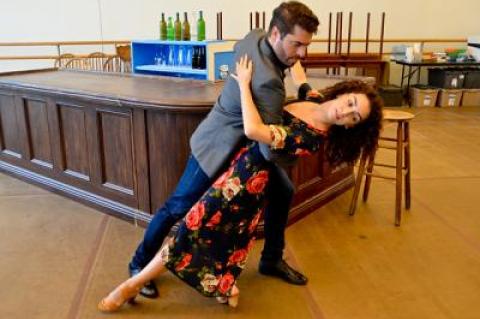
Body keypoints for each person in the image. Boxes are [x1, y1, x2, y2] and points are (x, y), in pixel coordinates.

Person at [98, 55, 383, 312]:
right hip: (236, 171)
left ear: (350, 127)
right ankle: (223, 286)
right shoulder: (316, 99)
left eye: (353, 117)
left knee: (190, 229)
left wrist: (245, 84)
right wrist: (292, 57)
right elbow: (299, 72)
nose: (345, 112)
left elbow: (253, 130)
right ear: (345, 93)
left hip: (243, 186)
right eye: (350, 103)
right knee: (213, 236)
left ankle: (131, 285)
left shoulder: (312, 138)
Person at [128, 1, 320, 299]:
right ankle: (138, 264)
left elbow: (291, 62)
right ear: (275, 34)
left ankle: (270, 260)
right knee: (178, 207)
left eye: (306, 45)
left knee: (283, 191)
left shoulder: (254, 37)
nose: (302, 54)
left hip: (239, 142)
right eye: (297, 44)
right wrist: (300, 146)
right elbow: (270, 149)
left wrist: (305, 87)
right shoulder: (268, 82)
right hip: (218, 145)